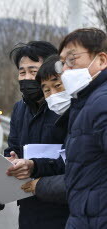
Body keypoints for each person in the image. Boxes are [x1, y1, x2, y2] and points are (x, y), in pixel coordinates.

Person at [0, 41, 69, 229]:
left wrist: (34, 165)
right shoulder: (19, 109)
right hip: (29, 207)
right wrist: (10, 163)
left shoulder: (66, 107)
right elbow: (13, 147)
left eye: (33, 71)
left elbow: (75, 158)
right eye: (22, 72)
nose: (27, 78)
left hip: (64, 208)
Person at [56, 28, 107, 229]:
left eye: (72, 59)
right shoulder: (85, 101)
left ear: (102, 60)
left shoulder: (101, 102)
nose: (65, 70)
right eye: (62, 63)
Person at [20, 54, 70, 204]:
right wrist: (32, 165)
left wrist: (41, 185)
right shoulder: (20, 109)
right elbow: (65, 162)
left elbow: (85, 176)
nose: (53, 95)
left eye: (57, 86)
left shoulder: (88, 115)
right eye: (47, 90)